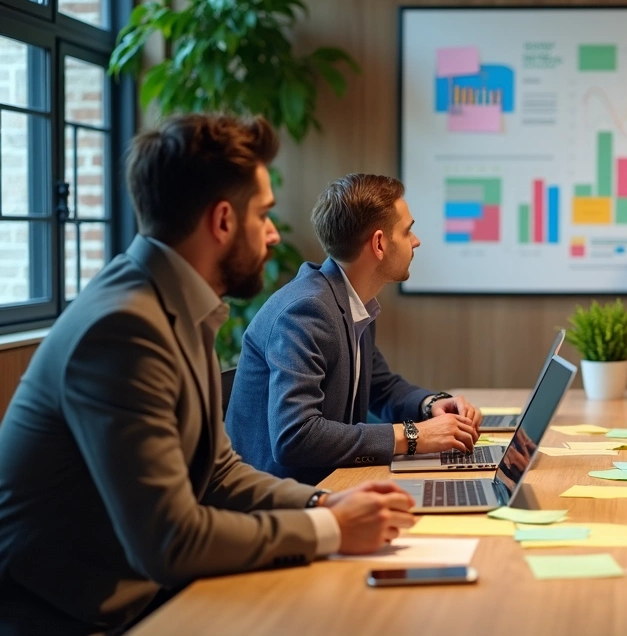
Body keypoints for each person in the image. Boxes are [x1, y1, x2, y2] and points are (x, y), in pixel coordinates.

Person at [0, 115, 416, 634]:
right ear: (222, 221)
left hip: (129, 596)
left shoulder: (174, 303)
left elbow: (218, 472)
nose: (273, 234)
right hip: (73, 618)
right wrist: (328, 527)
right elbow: (171, 541)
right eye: (263, 214)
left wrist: (325, 501)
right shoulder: (124, 327)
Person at [226, 173, 482, 486]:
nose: (415, 241)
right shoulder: (306, 311)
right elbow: (295, 436)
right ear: (379, 243)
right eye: (407, 231)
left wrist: (429, 405)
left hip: (332, 485)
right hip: (284, 500)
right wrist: (413, 435)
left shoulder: (351, 301)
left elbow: (381, 387)